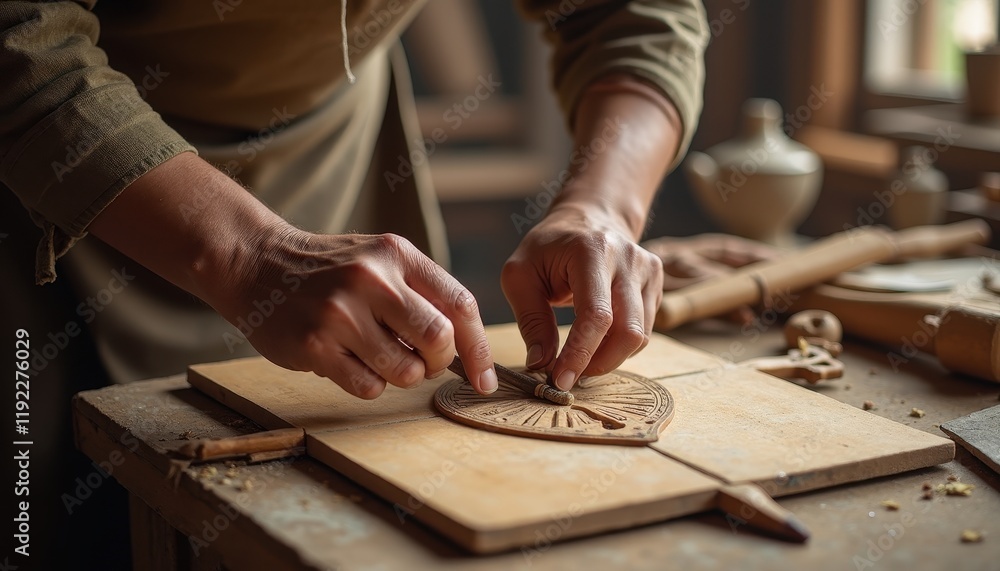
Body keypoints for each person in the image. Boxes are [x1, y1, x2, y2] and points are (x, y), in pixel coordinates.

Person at [1, 0, 712, 398]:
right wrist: (250, 255)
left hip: (335, 160)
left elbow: (633, 13)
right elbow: (22, 40)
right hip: (61, 178)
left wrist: (604, 207)